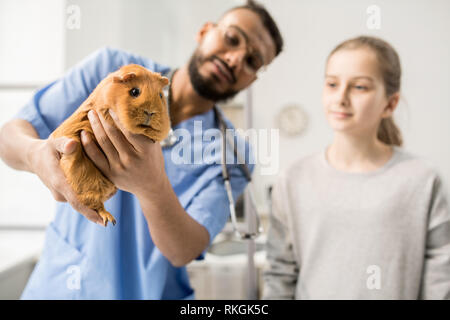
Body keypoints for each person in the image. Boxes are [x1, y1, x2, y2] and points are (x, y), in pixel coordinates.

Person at [0, 0, 283, 299]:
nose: (236, 59)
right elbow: (9, 137)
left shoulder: (234, 157)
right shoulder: (110, 71)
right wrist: (36, 156)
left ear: (252, 78)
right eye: (232, 38)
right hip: (63, 285)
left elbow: (184, 250)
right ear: (205, 32)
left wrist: (152, 186)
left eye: (252, 61)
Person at [263, 36, 450, 299]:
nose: (341, 97)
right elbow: (280, 275)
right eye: (332, 84)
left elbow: (440, 278)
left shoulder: (422, 179)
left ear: (390, 104)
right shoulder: (293, 179)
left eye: (359, 87)